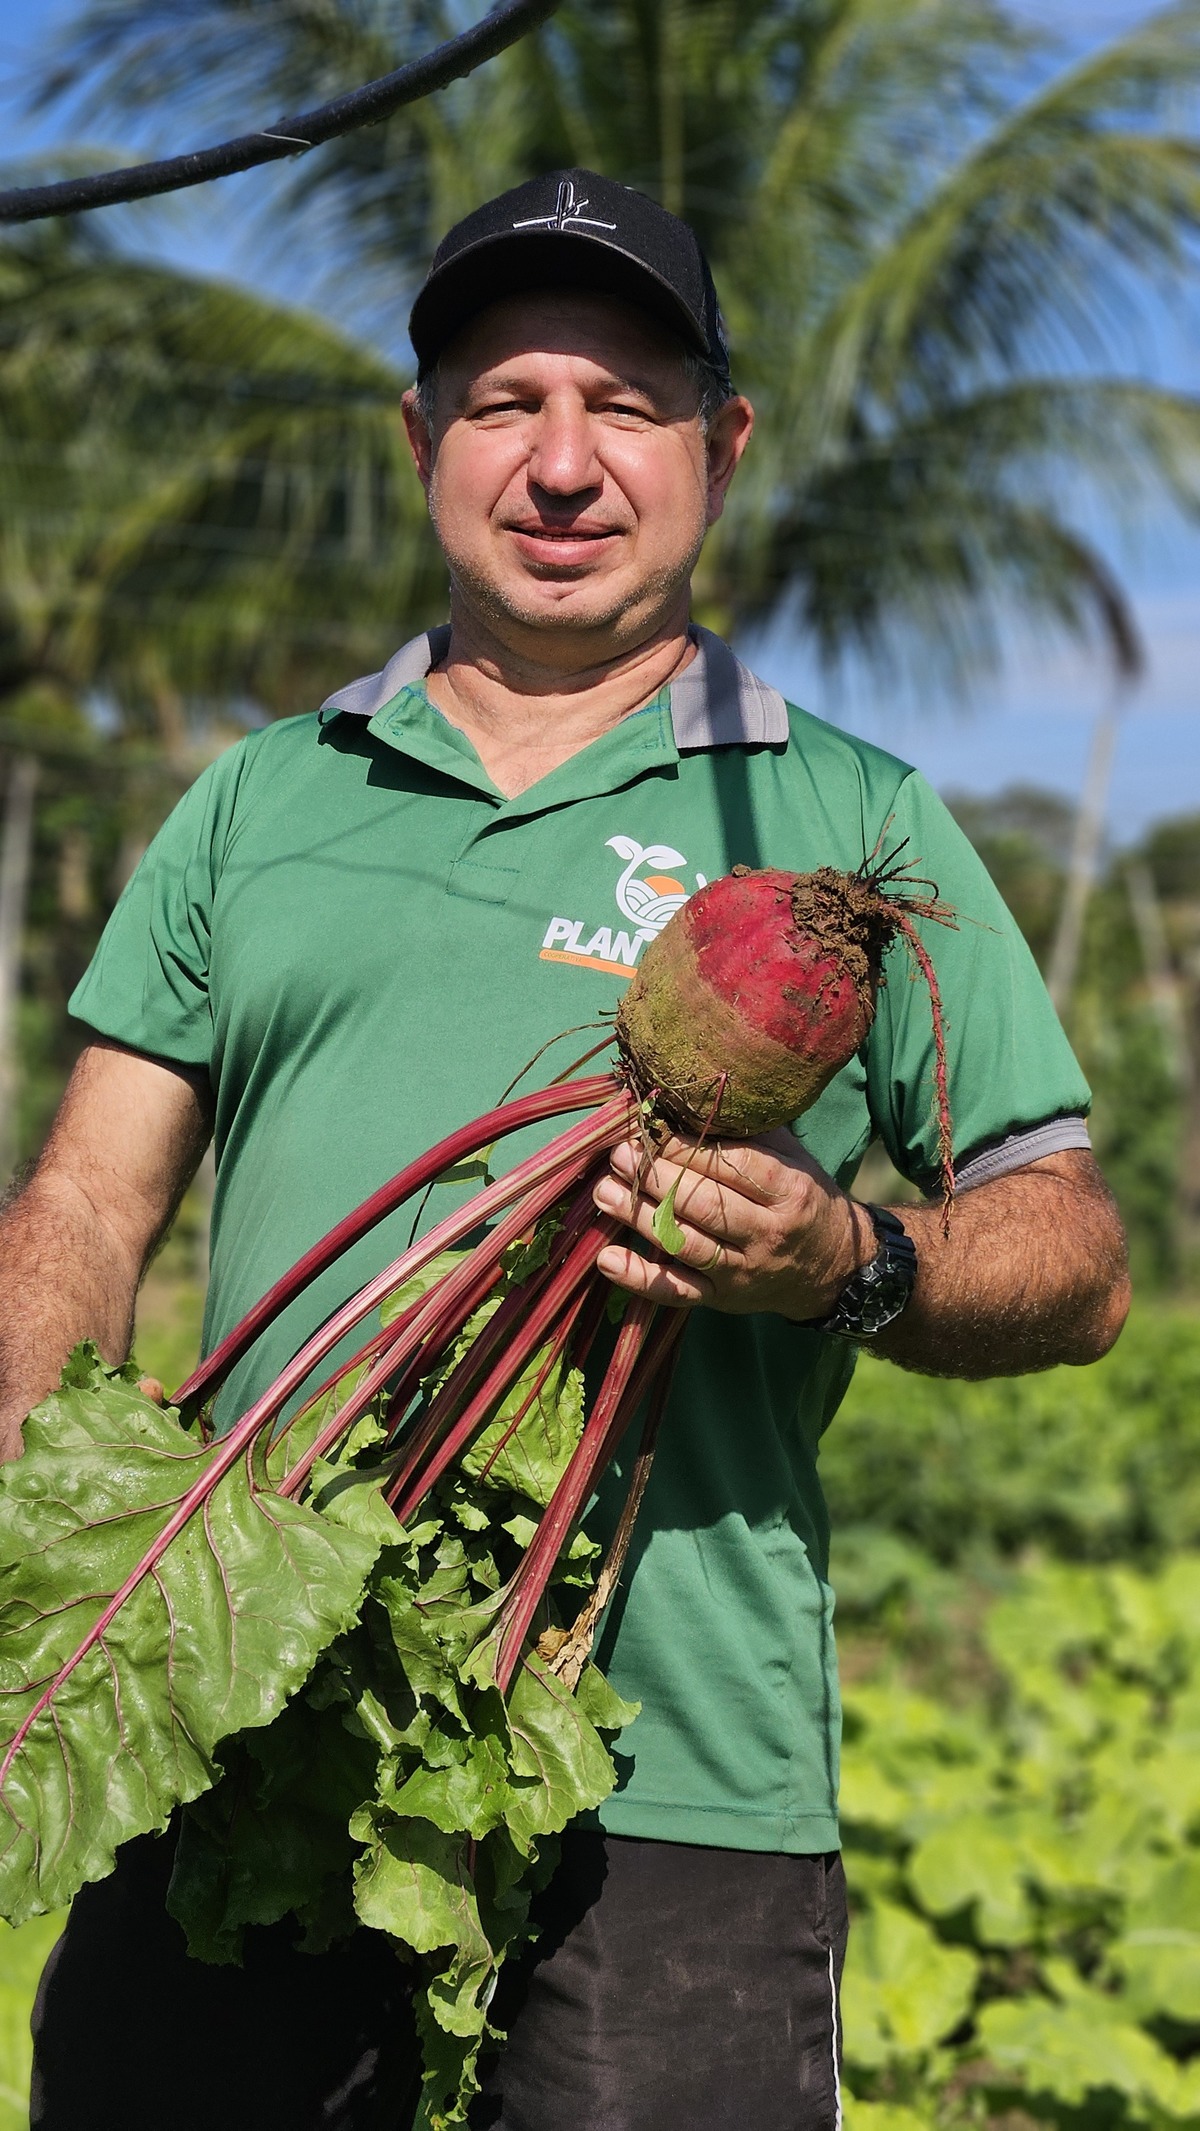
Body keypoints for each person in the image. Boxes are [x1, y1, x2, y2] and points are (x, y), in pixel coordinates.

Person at [3, 170, 1128, 2131]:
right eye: (506, 402)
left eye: (625, 405)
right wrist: (49, 1535)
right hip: (227, 1691)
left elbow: (1077, 1253)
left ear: (723, 447)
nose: (562, 462)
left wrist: (851, 1261)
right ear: (421, 442)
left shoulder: (852, 820)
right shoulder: (261, 797)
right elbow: (86, 1204)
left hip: (666, 1787)